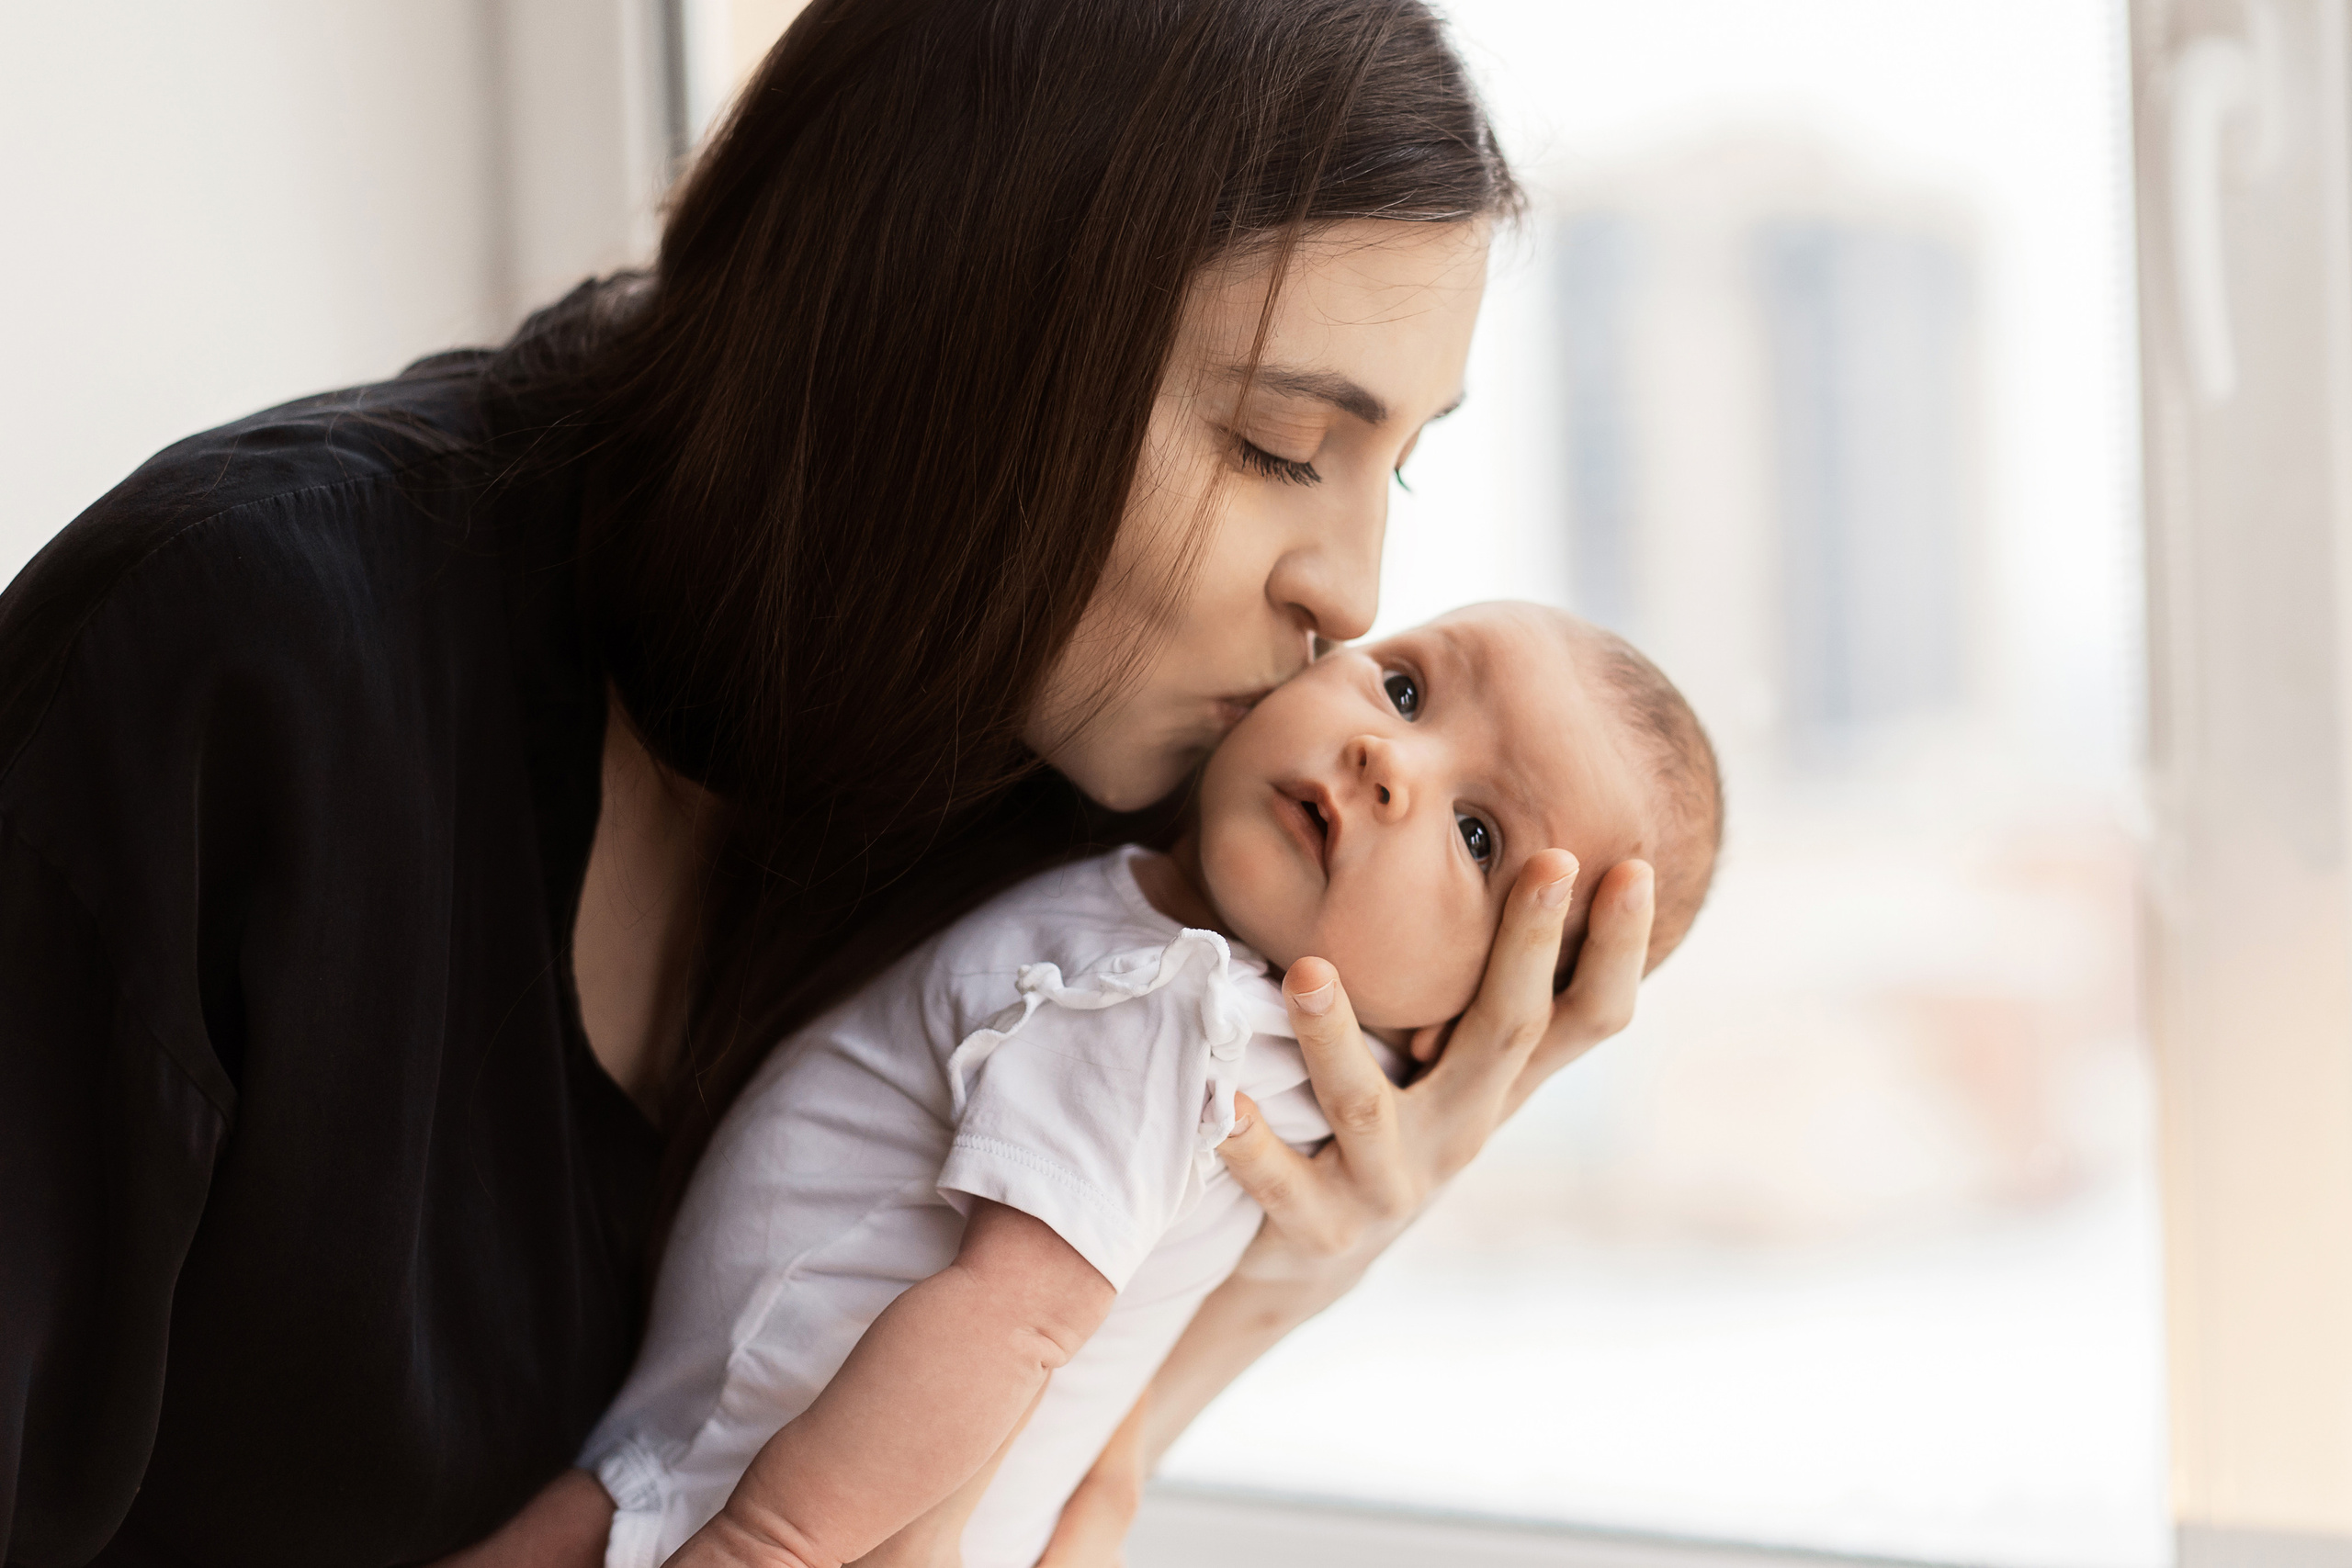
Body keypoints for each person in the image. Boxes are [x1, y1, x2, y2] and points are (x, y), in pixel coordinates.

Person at [0, 4, 1657, 1564]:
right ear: (957, 316)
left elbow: (1035, 1466)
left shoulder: (1115, 840)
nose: (1352, 595)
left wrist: (1283, 1261)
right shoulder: (225, 678)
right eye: (1281, 443)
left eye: (1398, 467)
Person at [465, 603, 1719, 1568]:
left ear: (1474, 1019)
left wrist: (770, 1543)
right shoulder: (1199, 986)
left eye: (1479, 835)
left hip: (749, 1497)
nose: (1390, 759)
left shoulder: (1172, 1003)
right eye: (1405, 686)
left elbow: (1017, 1316)